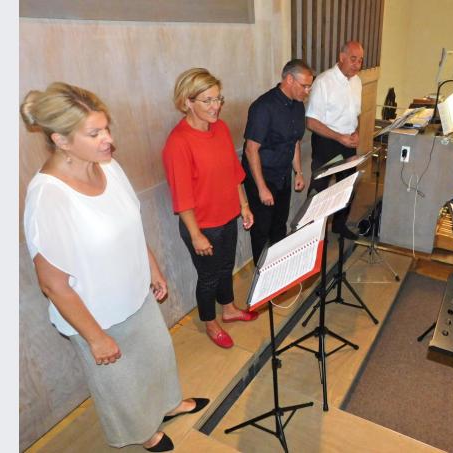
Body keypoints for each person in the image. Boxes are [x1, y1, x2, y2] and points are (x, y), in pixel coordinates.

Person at [21, 82, 207, 452]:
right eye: (95, 133)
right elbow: (53, 285)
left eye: (106, 128)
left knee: (158, 357)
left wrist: (152, 268)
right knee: (121, 383)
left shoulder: (108, 165)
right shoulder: (49, 197)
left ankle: (168, 405)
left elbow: (131, 224)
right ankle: (142, 431)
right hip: (98, 314)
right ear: (61, 140)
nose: (108, 139)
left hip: (136, 293)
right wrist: (95, 337)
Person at [162, 68, 258, 350]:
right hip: (203, 225)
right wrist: (196, 235)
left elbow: (234, 172)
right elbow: (182, 197)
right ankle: (210, 322)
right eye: (208, 100)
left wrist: (244, 205)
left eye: (218, 99)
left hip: (228, 215)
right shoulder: (178, 143)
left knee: (226, 266)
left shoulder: (221, 128)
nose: (216, 106)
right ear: (187, 101)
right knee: (208, 277)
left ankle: (227, 309)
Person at [242, 59, 313, 263]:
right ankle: (261, 278)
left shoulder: (298, 107)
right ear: (289, 80)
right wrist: (262, 188)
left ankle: (278, 273)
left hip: (282, 176)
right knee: (261, 230)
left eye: (310, 86)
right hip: (261, 177)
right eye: (304, 85)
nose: (307, 91)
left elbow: (294, 142)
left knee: (280, 225)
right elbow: (250, 149)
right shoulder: (263, 107)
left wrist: (298, 172)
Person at [305, 41, 364, 240]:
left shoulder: (357, 82)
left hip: (348, 144)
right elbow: (311, 121)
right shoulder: (323, 82)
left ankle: (339, 225)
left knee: (347, 188)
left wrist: (356, 131)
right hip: (327, 144)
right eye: (353, 59)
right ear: (341, 57)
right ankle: (310, 235)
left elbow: (356, 113)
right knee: (319, 191)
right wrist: (339, 137)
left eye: (360, 60)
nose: (357, 65)